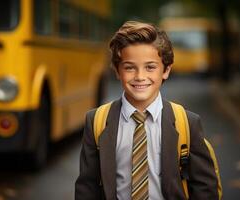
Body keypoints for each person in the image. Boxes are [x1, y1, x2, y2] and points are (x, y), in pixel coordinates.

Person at [75, 20, 220, 200]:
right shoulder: (96, 121)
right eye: (129, 67)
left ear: (166, 70)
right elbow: (86, 186)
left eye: (150, 67)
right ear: (117, 71)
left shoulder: (188, 123)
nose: (140, 77)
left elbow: (205, 187)